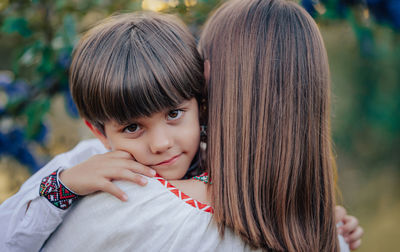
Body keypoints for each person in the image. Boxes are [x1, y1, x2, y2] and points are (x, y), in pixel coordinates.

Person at [0, 1, 363, 251]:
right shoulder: (89, 162)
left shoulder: (219, 174)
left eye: (174, 114)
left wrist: (315, 216)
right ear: (98, 130)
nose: (160, 144)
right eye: (132, 128)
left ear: (201, 102)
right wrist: (59, 190)